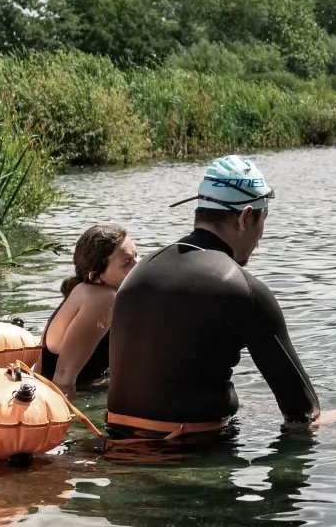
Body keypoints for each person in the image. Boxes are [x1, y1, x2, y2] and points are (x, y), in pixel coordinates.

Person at [106, 155, 323, 439]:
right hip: (194, 453)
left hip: (116, 439)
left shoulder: (141, 270)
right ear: (246, 217)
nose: (262, 235)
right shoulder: (240, 287)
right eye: (264, 218)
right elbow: (302, 412)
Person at [40, 224, 137, 390]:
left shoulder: (85, 290)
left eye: (136, 255)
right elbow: (64, 376)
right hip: (75, 395)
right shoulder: (102, 298)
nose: (138, 265)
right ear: (97, 276)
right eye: (127, 262)